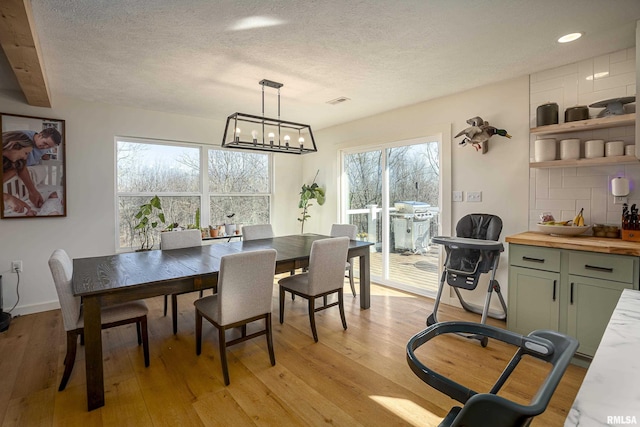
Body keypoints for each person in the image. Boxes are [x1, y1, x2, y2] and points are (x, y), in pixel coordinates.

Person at [2, 135, 37, 216]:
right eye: (26, 153)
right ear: (14, 145)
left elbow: (22, 167)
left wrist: (33, 191)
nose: (25, 157)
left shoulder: (11, 162)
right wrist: (8, 198)